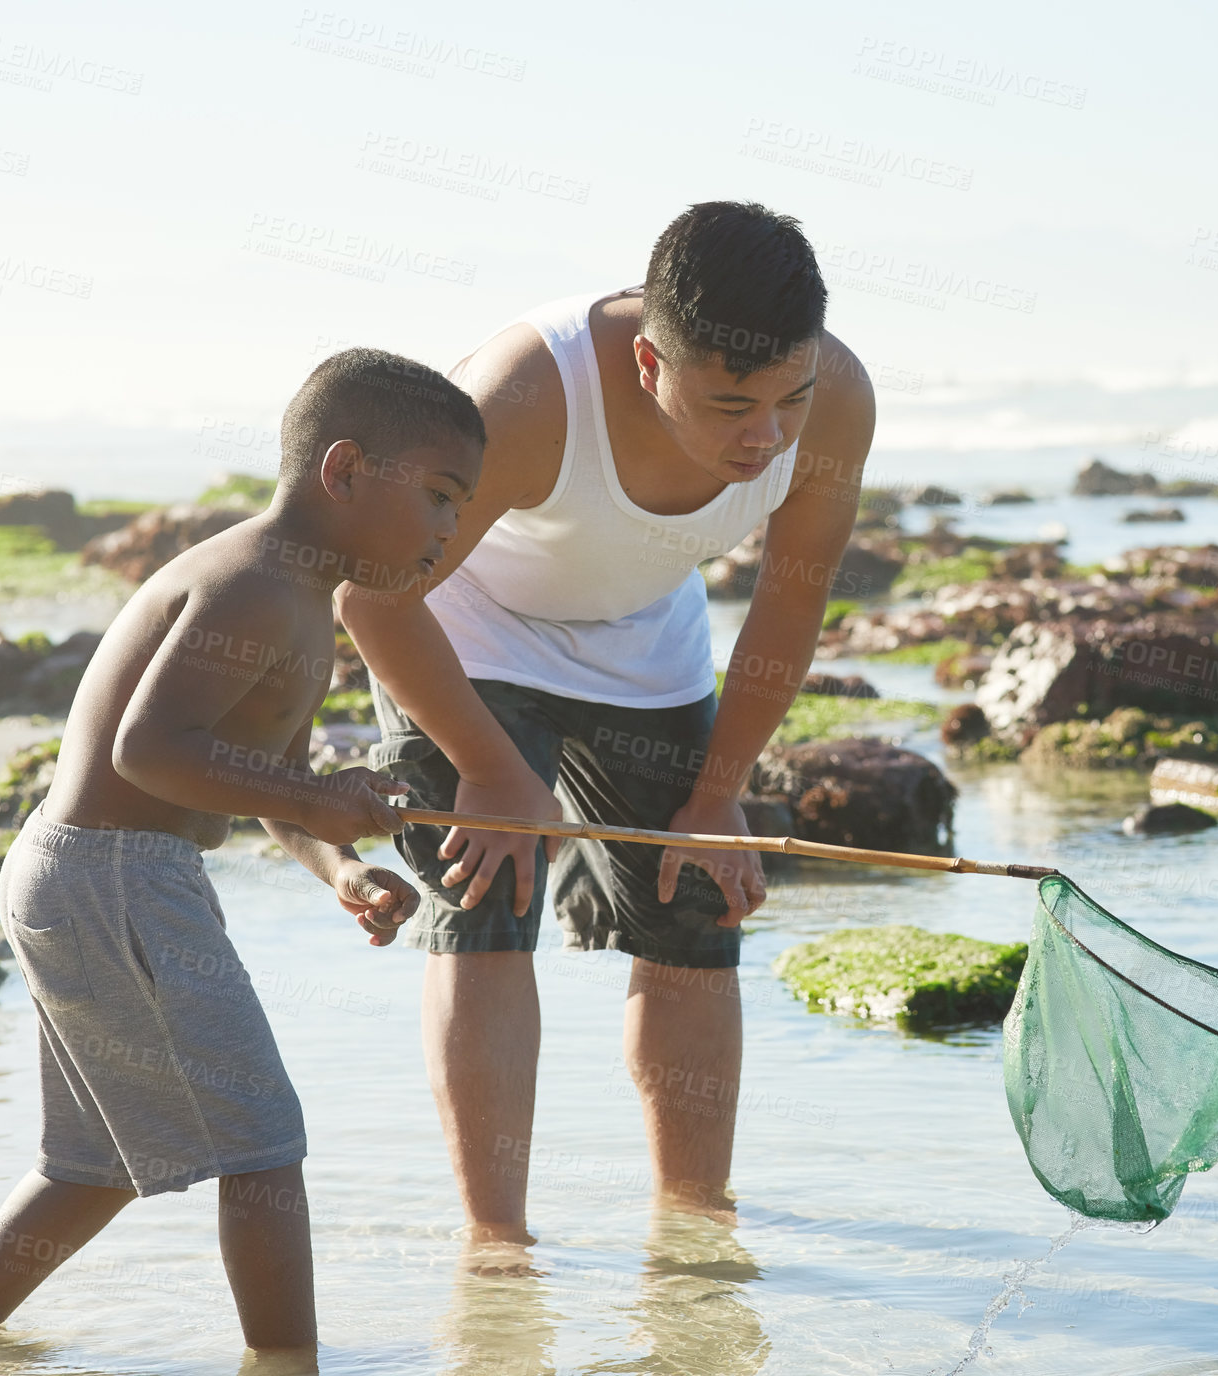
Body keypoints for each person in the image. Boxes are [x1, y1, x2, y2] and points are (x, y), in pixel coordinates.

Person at [0, 349, 485, 1357]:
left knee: (95, 1158)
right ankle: (288, 1360)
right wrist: (318, 795)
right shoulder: (254, 585)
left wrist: (336, 862)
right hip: (118, 872)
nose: (447, 528)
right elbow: (152, 748)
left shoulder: (304, 596)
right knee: (263, 1141)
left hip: (84, 872)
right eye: (436, 495)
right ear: (342, 470)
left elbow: (262, 774)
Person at [337, 202, 875, 1240]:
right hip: (465, 631)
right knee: (486, 902)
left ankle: (694, 1220)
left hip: (642, 638)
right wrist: (490, 771)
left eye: (785, 399)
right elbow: (369, 596)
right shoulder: (525, 395)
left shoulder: (836, 396)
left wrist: (716, 794)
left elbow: (788, 602)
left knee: (693, 908)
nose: (763, 437)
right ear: (645, 363)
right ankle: (498, 1244)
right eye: (728, 405)